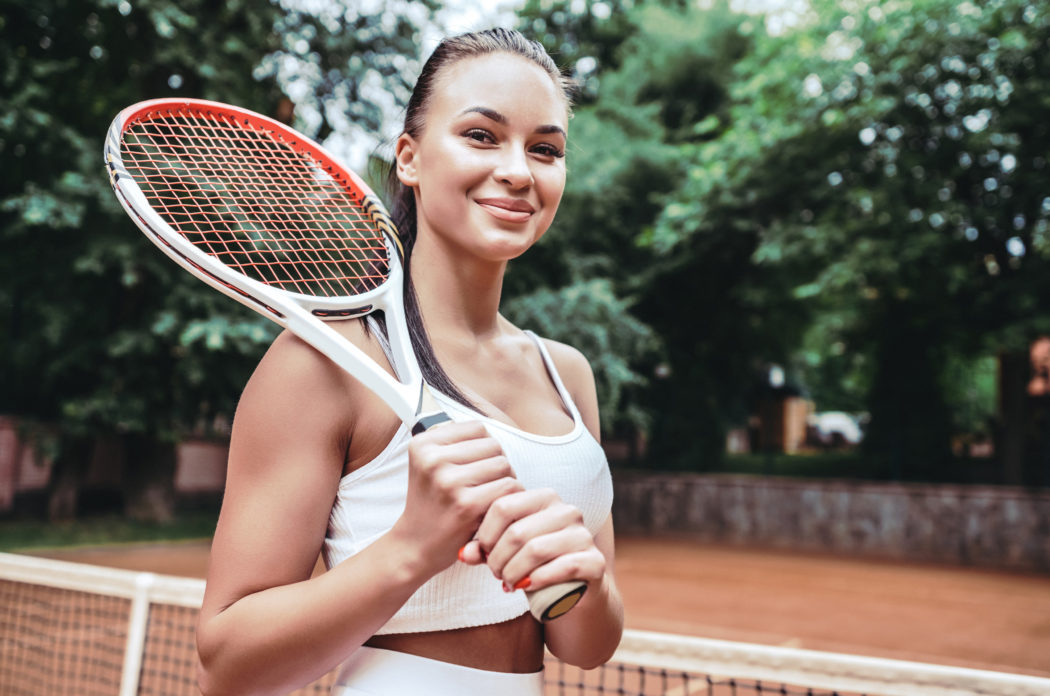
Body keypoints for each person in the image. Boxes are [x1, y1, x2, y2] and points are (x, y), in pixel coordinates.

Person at [195, 28, 623, 696]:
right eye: (482, 135)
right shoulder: (323, 364)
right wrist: (413, 546)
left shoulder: (566, 374)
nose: (518, 169)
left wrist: (588, 584)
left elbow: (584, 647)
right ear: (410, 158)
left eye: (545, 149)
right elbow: (228, 667)